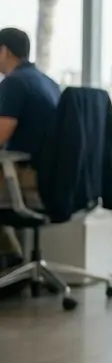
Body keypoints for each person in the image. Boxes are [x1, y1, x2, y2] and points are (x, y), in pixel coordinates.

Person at [0, 28, 61, 260]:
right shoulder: (47, 82)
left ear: (4, 51)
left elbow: (1, 134)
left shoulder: (14, 83)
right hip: (52, 176)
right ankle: (10, 256)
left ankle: (9, 257)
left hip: (30, 177)